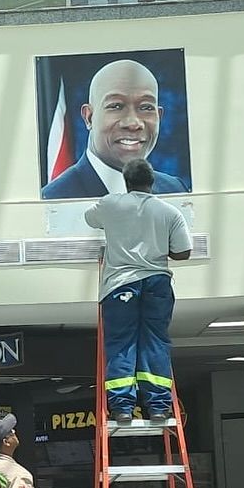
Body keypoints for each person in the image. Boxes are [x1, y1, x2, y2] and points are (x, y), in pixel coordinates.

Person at [84, 158, 192, 424]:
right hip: (157, 282)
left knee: (122, 343)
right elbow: (183, 252)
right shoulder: (169, 212)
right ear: (152, 181)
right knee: (155, 341)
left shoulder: (111, 204)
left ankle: (122, 408)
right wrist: (157, 246)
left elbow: (90, 218)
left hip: (120, 285)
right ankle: (158, 407)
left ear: (126, 181)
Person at [41, 58, 187, 200]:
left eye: (146, 107)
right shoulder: (53, 200)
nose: (133, 123)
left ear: (159, 116)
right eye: (116, 106)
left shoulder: (175, 190)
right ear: (89, 117)